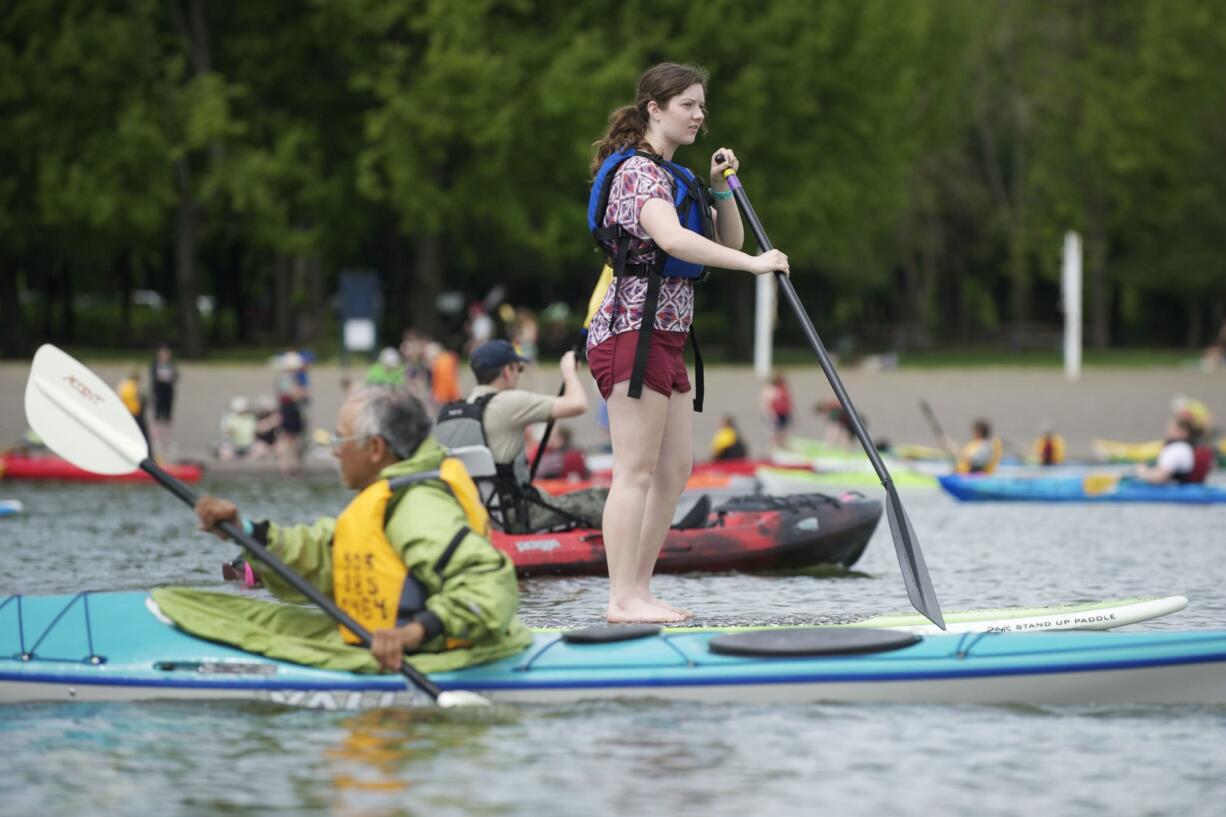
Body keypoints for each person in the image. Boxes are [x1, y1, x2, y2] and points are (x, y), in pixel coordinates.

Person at [585, 62, 789, 622]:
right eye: (688, 106)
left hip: (667, 336)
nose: (700, 115)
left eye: (702, 106)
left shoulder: (676, 175)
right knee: (636, 470)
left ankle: (640, 591)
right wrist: (753, 267)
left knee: (675, 469)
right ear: (655, 109)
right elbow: (673, 238)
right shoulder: (638, 176)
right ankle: (621, 598)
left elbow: (725, 236)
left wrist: (721, 189)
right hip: (632, 329)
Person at [155, 387, 531, 675]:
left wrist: (413, 632)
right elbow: (324, 553)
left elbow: (490, 584)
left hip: (434, 652)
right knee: (218, 610)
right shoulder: (392, 497)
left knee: (227, 623)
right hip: (394, 637)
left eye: (340, 440)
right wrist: (245, 531)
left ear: (375, 448)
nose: (334, 452)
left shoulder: (418, 509)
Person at [434, 340, 592, 532]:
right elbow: (578, 404)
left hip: (472, 515)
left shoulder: (450, 414)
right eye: (519, 369)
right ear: (507, 371)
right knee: (600, 500)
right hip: (515, 516)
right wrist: (569, 372)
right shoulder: (509, 401)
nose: (518, 375)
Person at [1137, 414, 1214, 485]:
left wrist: (1143, 472)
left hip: (1175, 493)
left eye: (1171, 429)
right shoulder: (1190, 448)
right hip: (1192, 488)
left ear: (1183, 432)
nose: (1167, 433)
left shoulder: (1175, 449)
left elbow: (1160, 477)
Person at [149, 344, 178, 458]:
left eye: (166, 354)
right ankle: (155, 441)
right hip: (158, 393)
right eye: (163, 354)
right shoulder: (155, 365)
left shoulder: (171, 365)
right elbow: (153, 379)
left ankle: (167, 441)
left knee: (168, 417)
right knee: (157, 416)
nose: (165, 356)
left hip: (168, 393)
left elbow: (176, 377)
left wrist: (171, 377)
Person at [116, 368, 151, 448]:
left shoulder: (123, 385)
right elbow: (143, 400)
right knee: (143, 437)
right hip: (136, 415)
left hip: (126, 415)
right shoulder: (135, 386)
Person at [217, 397, 257, 461]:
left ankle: (244, 458)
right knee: (225, 452)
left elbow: (254, 431)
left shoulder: (251, 417)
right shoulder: (229, 417)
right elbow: (226, 431)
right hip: (233, 444)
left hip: (248, 444)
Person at [760, 371, 792, 450]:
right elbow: (766, 402)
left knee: (783, 430)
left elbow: (788, 400)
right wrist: (770, 414)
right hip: (773, 413)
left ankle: (782, 446)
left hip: (783, 412)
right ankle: (775, 447)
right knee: (774, 431)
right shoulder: (769, 389)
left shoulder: (783, 388)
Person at [426, 342, 462, 407]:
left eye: (431, 358)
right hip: (452, 395)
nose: (429, 362)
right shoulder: (450, 358)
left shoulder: (439, 364)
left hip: (443, 397)